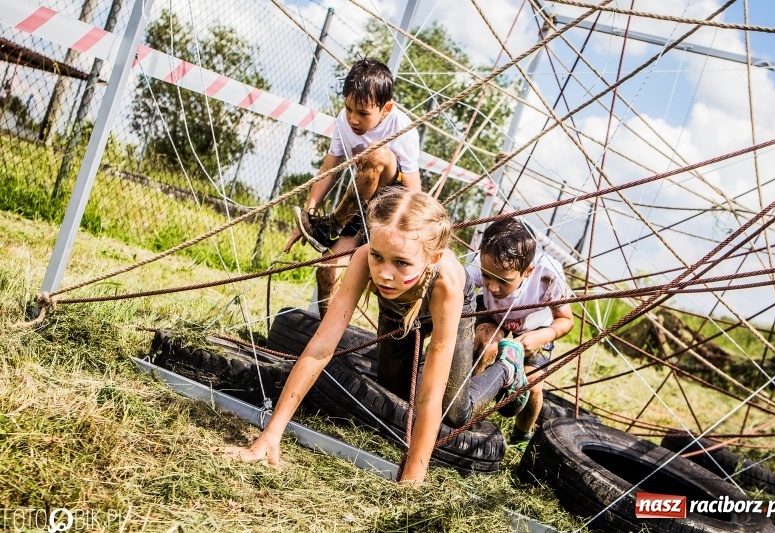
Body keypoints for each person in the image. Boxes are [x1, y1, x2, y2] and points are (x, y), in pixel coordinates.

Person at [227, 189, 527, 485]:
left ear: (432, 257)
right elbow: (320, 346)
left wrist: (411, 482)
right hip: (397, 308)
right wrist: (271, 435)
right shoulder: (362, 261)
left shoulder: (446, 284)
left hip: (448, 305)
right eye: (377, 256)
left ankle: (506, 367)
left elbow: (430, 395)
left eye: (401, 262)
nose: (384, 273)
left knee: (455, 412)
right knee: (393, 393)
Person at [284, 57, 421, 319]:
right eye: (348, 109)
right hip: (361, 206)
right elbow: (329, 169)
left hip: (392, 206)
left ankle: (332, 225)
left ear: (386, 109)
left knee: (376, 155)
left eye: (363, 113)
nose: (353, 119)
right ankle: (327, 327)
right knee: (327, 269)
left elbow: (414, 188)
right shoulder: (343, 122)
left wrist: (412, 232)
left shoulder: (401, 127)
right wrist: (309, 215)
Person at [468, 217, 574, 447]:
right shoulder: (482, 261)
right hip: (493, 316)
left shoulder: (549, 276)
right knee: (485, 345)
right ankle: (468, 412)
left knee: (533, 383)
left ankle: (521, 435)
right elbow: (456, 291)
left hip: (535, 328)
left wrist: (542, 337)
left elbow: (566, 320)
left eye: (502, 281)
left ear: (528, 271)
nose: (492, 287)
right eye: (487, 276)